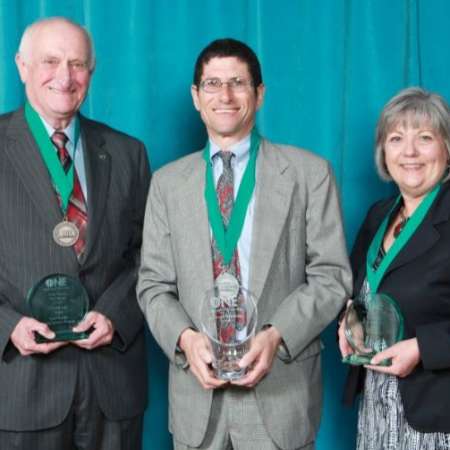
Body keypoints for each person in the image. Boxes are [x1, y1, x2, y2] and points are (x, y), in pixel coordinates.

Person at [138, 38, 351, 450]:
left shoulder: (310, 174)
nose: (226, 95)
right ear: (196, 97)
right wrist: (185, 339)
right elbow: (153, 286)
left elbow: (332, 276)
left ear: (259, 94)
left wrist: (277, 335)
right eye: (213, 84)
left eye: (238, 82)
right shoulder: (166, 184)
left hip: (280, 395)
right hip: (197, 399)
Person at [0, 17, 150, 449]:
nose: (64, 77)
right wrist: (7, 325)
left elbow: (151, 257)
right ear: (22, 65)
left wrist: (117, 317)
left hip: (111, 387)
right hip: (21, 389)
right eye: (50, 61)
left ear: (92, 71)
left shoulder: (128, 153)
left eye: (77, 63)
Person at [339, 87, 450, 449]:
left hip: (436, 418)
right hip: (377, 411)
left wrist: (423, 348)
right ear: (383, 154)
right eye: (397, 139)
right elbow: (362, 292)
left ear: (446, 149)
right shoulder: (378, 216)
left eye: (425, 138)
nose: (410, 152)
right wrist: (348, 321)